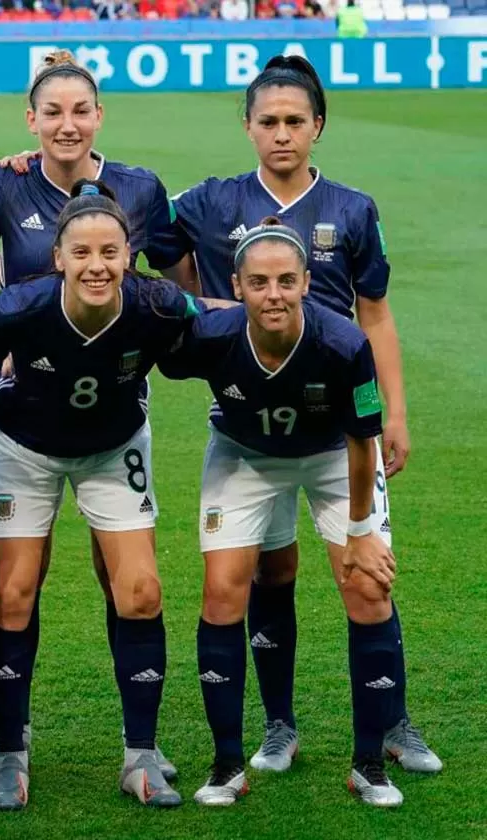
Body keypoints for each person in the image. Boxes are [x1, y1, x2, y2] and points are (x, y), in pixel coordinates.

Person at [155, 54, 438, 776]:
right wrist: (209, 304)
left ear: (318, 126)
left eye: (294, 122)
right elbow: (141, 232)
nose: (281, 134)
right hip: (249, 428)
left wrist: (393, 413)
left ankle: (393, 720)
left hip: (340, 428)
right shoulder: (211, 203)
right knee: (266, 574)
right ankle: (279, 725)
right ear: (247, 126)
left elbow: (374, 316)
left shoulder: (352, 208)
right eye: (268, 122)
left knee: (366, 576)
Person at [0, 48, 186, 783]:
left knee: (138, 588)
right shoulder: (2, 184)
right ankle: (11, 750)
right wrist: (22, 301)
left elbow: (175, 274)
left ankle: (141, 752)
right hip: (24, 426)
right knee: (16, 589)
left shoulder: (139, 189)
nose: (68, 124)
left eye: (81, 110)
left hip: (116, 426)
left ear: (100, 115)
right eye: (53, 111)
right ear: (31, 119)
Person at [159, 219, 406, 807]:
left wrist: (361, 532)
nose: (274, 294)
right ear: (237, 287)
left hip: (330, 456)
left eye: (287, 281)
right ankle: (227, 766)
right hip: (244, 455)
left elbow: (359, 441)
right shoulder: (212, 336)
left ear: (306, 282)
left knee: (368, 588)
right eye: (260, 282)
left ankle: (370, 763)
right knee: (222, 594)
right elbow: (150, 346)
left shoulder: (344, 344)